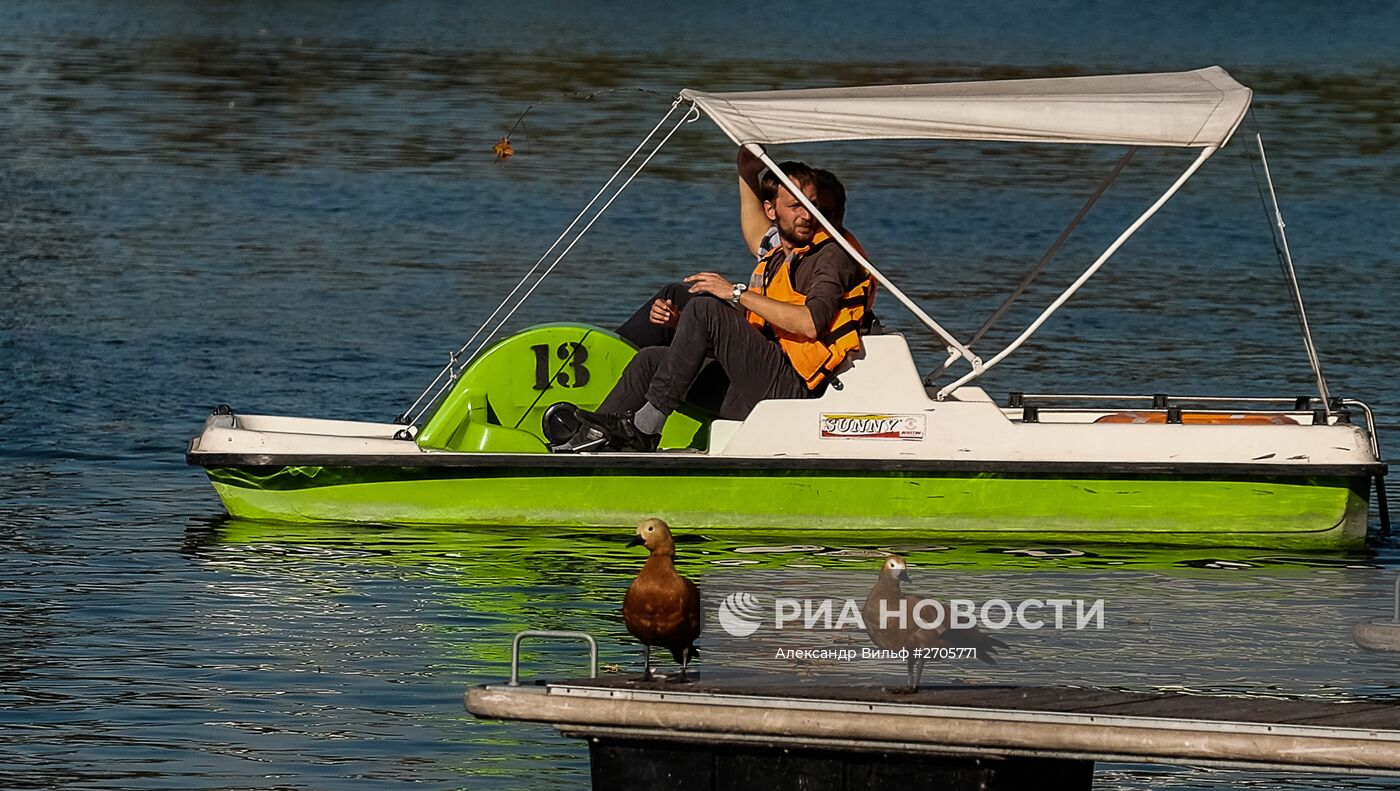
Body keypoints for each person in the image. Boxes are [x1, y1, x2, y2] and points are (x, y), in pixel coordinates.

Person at [551, 160, 875, 452]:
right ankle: (589, 443)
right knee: (651, 360)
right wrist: (685, 328)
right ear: (772, 211)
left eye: (815, 208)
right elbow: (760, 319)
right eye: (797, 206)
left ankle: (645, 428)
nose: (808, 216)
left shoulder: (831, 256)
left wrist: (734, 293)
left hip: (794, 390)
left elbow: (809, 324)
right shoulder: (782, 255)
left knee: (706, 307)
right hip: (762, 381)